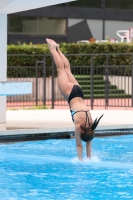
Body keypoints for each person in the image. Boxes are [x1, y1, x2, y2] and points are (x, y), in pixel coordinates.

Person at [46, 38, 103, 162]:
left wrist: (89, 158)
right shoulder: (78, 125)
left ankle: (58, 48)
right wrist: (81, 161)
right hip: (70, 94)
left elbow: (88, 143)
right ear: (82, 132)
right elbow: (79, 145)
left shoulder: (92, 124)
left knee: (67, 69)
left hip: (79, 91)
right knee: (60, 69)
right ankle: (52, 48)